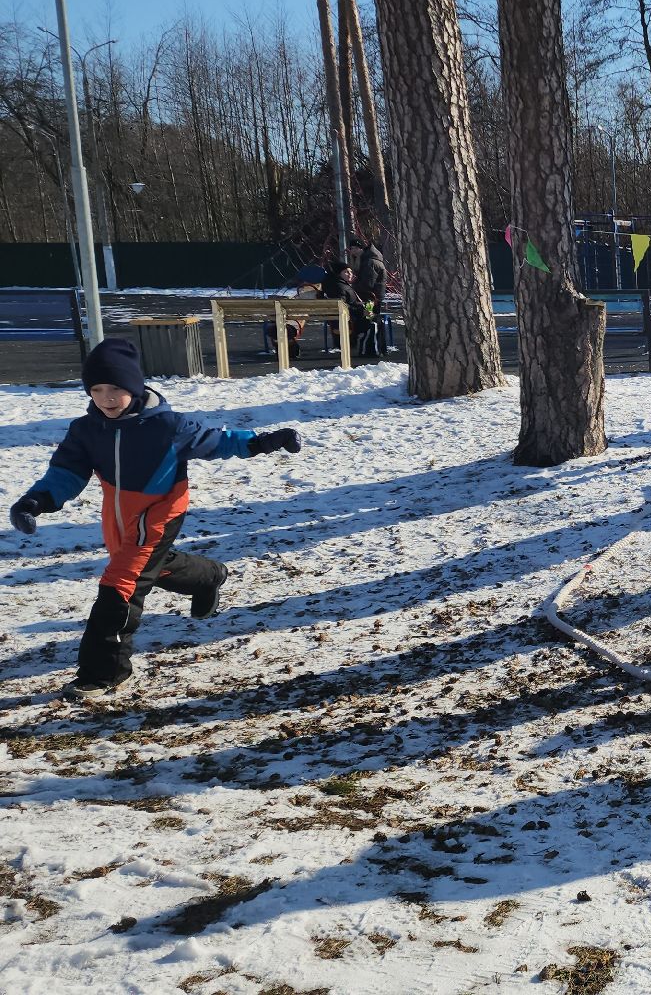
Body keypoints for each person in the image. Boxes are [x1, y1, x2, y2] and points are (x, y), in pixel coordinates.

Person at [8, 339, 302, 700]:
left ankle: (105, 673)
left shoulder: (168, 427)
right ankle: (209, 576)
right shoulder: (86, 430)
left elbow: (217, 441)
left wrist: (264, 442)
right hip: (118, 517)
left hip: (159, 514)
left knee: (121, 585)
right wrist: (37, 500)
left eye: (115, 388)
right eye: (97, 390)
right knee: (154, 567)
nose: (106, 398)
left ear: (133, 387)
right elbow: (67, 472)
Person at [319, 259, 373, 362]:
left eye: (351, 271)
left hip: (346, 319)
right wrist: (362, 311)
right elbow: (342, 307)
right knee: (375, 321)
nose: (350, 274)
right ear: (339, 274)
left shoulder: (339, 284)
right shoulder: (338, 286)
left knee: (372, 313)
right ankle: (370, 350)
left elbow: (346, 303)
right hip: (349, 321)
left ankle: (370, 347)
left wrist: (362, 305)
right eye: (346, 272)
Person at [345, 235, 388, 359]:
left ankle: (371, 349)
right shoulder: (368, 259)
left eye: (354, 248)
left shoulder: (369, 262)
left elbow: (367, 283)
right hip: (371, 297)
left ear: (360, 248)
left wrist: (353, 285)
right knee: (373, 321)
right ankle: (377, 348)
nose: (351, 251)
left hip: (370, 298)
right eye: (351, 248)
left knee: (370, 321)